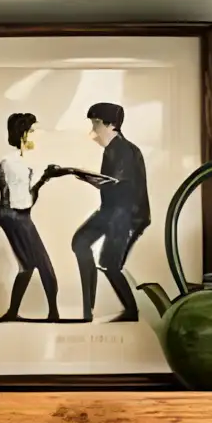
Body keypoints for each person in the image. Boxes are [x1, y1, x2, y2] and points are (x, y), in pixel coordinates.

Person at [48, 102, 152, 322]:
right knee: (80, 242)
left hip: (127, 214)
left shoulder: (124, 149)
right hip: (112, 210)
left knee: (110, 264)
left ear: (112, 125)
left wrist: (72, 172)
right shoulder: (112, 149)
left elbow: (112, 183)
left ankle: (131, 312)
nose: (93, 130)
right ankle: (88, 310)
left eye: (96, 123)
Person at [0, 111, 61, 323]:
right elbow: (20, 202)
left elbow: (26, 198)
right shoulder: (12, 164)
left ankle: (13, 312)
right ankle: (53, 314)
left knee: (28, 266)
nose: (37, 136)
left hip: (14, 215)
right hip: (15, 217)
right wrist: (48, 177)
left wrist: (43, 180)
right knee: (44, 265)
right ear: (22, 134)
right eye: (32, 131)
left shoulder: (19, 163)